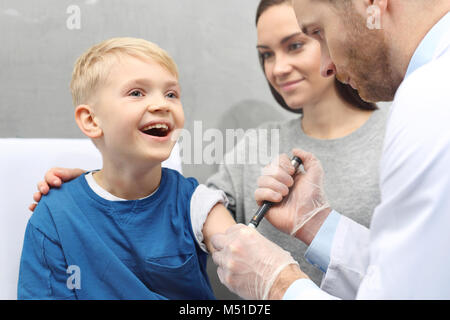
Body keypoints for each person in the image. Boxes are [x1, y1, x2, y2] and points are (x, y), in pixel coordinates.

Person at [29, 0, 388, 292]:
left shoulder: (396, 135)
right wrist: (96, 186)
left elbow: (411, 274)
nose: (278, 68)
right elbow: (178, 210)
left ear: (325, 38)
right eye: (266, 54)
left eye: (295, 45)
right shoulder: (253, 145)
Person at [211, 0, 450, 299]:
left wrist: (278, 284)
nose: (328, 66)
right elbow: (408, 278)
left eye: (317, 33)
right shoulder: (432, 92)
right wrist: (314, 221)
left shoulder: (429, 98)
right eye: (267, 55)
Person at [18, 37, 236, 300]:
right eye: (136, 93)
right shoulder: (56, 215)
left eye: (171, 94)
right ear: (91, 120)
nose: (161, 104)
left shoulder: (197, 204)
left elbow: (248, 261)